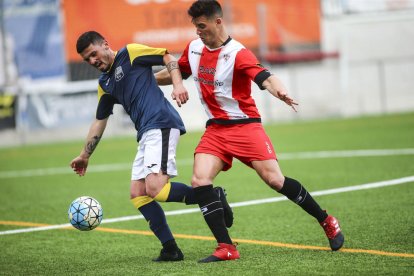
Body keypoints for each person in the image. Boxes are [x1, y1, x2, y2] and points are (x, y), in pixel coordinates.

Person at [155, 0, 344, 263]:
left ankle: (326, 220)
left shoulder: (238, 54)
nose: (197, 31)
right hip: (215, 130)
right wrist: (148, 80)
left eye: (201, 25)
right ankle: (226, 247)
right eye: (195, 26)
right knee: (199, 181)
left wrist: (282, 92)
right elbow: (178, 71)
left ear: (218, 21)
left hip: (245, 127)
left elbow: (266, 78)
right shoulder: (194, 48)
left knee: (275, 180)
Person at [70, 31, 233, 262]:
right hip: (146, 133)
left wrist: (177, 85)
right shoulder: (104, 83)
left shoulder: (131, 53)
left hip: (161, 124)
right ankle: (171, 249)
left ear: (105, 44)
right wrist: (84, 155)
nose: (92, 61)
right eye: (87, 59)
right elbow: (100, 120)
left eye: (93, 54)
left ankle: (210, 195)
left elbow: (168, 56)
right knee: (139, 194)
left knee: (156, 189)